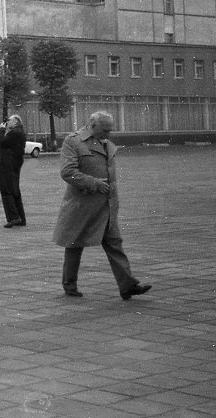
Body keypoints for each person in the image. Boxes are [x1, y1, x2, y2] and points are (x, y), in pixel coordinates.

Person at [53, 111, 152, 300]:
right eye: (105, 130)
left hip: (107, 205)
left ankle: (128, 286)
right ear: (92, 125)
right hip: (82, 205)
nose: (108, 134)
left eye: (110, 130)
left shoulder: (106, 143)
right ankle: (69, 285)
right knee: (74, 244)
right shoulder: (73, 142)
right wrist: (94, 183)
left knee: (114, 243)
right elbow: (67, 172)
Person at [0, 115, 27, 227]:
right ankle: (21, 218)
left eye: (9, 120)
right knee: (14, 190)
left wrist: (1, 130)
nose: (7, 122)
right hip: (14, 163)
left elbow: (2, 142)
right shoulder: (19, 132)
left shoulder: (14, 133)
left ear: (15, 122)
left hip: (8, 164)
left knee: (6, 190)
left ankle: (13, 217)